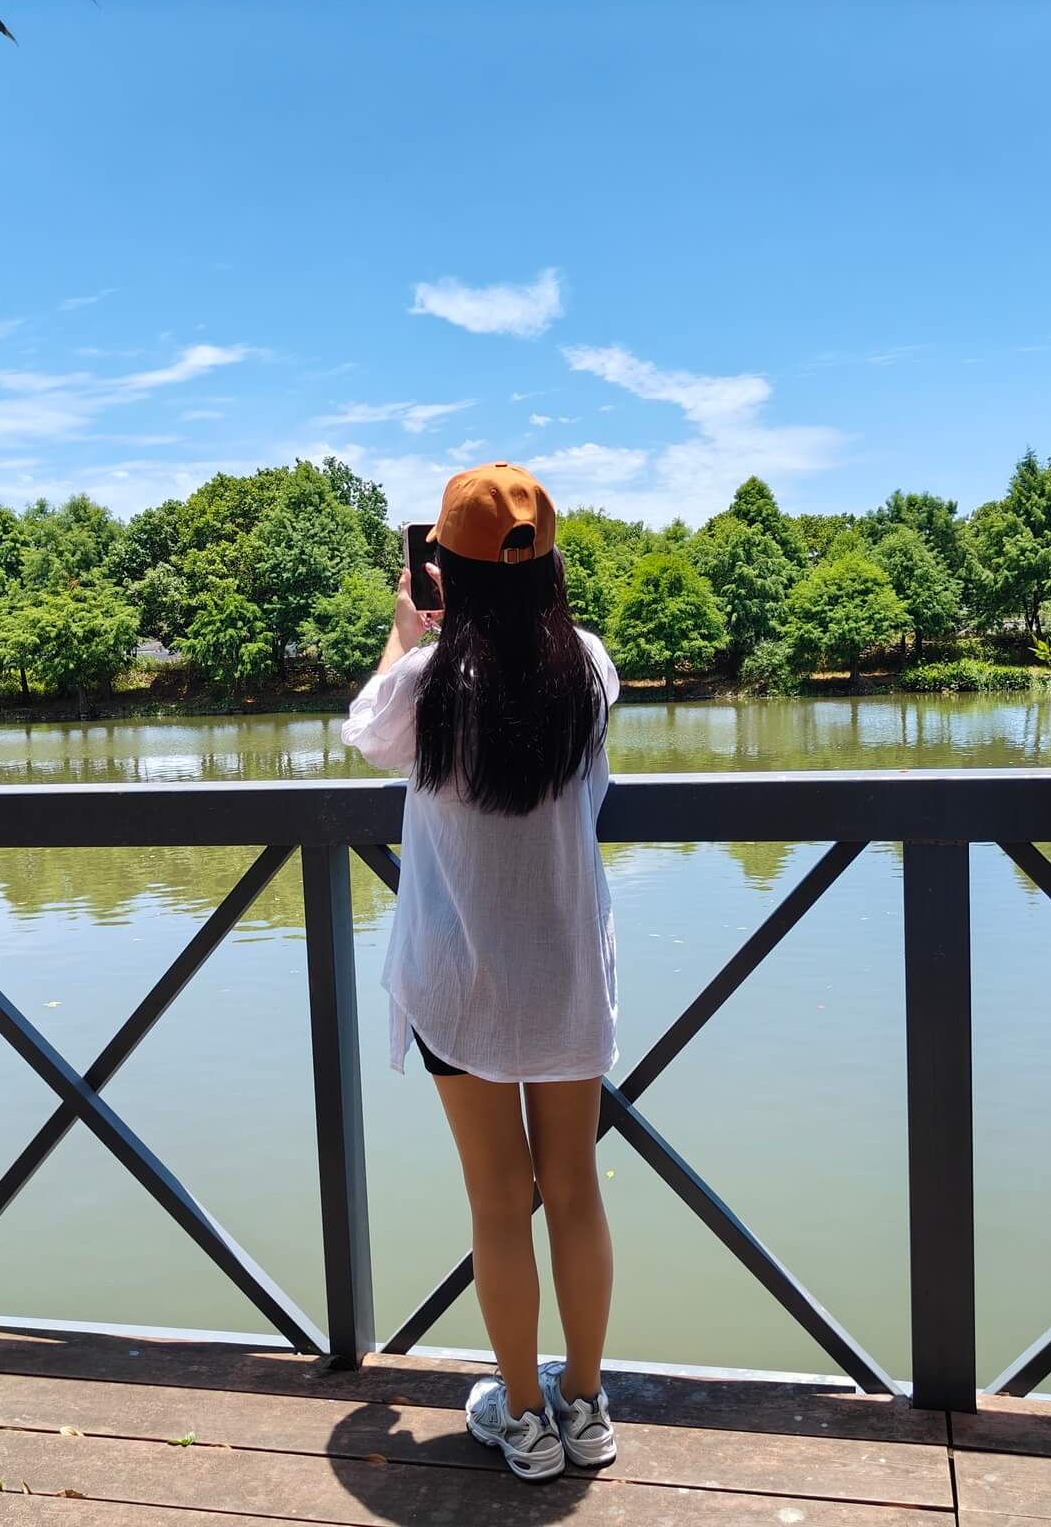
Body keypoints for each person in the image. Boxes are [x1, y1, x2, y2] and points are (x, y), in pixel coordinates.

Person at [341, 462, 621, 1484]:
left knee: (499, 1203)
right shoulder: (586, 667)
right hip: (564, 979)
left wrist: (408, 628)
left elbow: (363, 731)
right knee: (576, 1189)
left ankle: (523, 1420)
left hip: (458, 982)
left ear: (440, 568)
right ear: (548, 568)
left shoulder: (426, 683)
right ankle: (583, 1407)